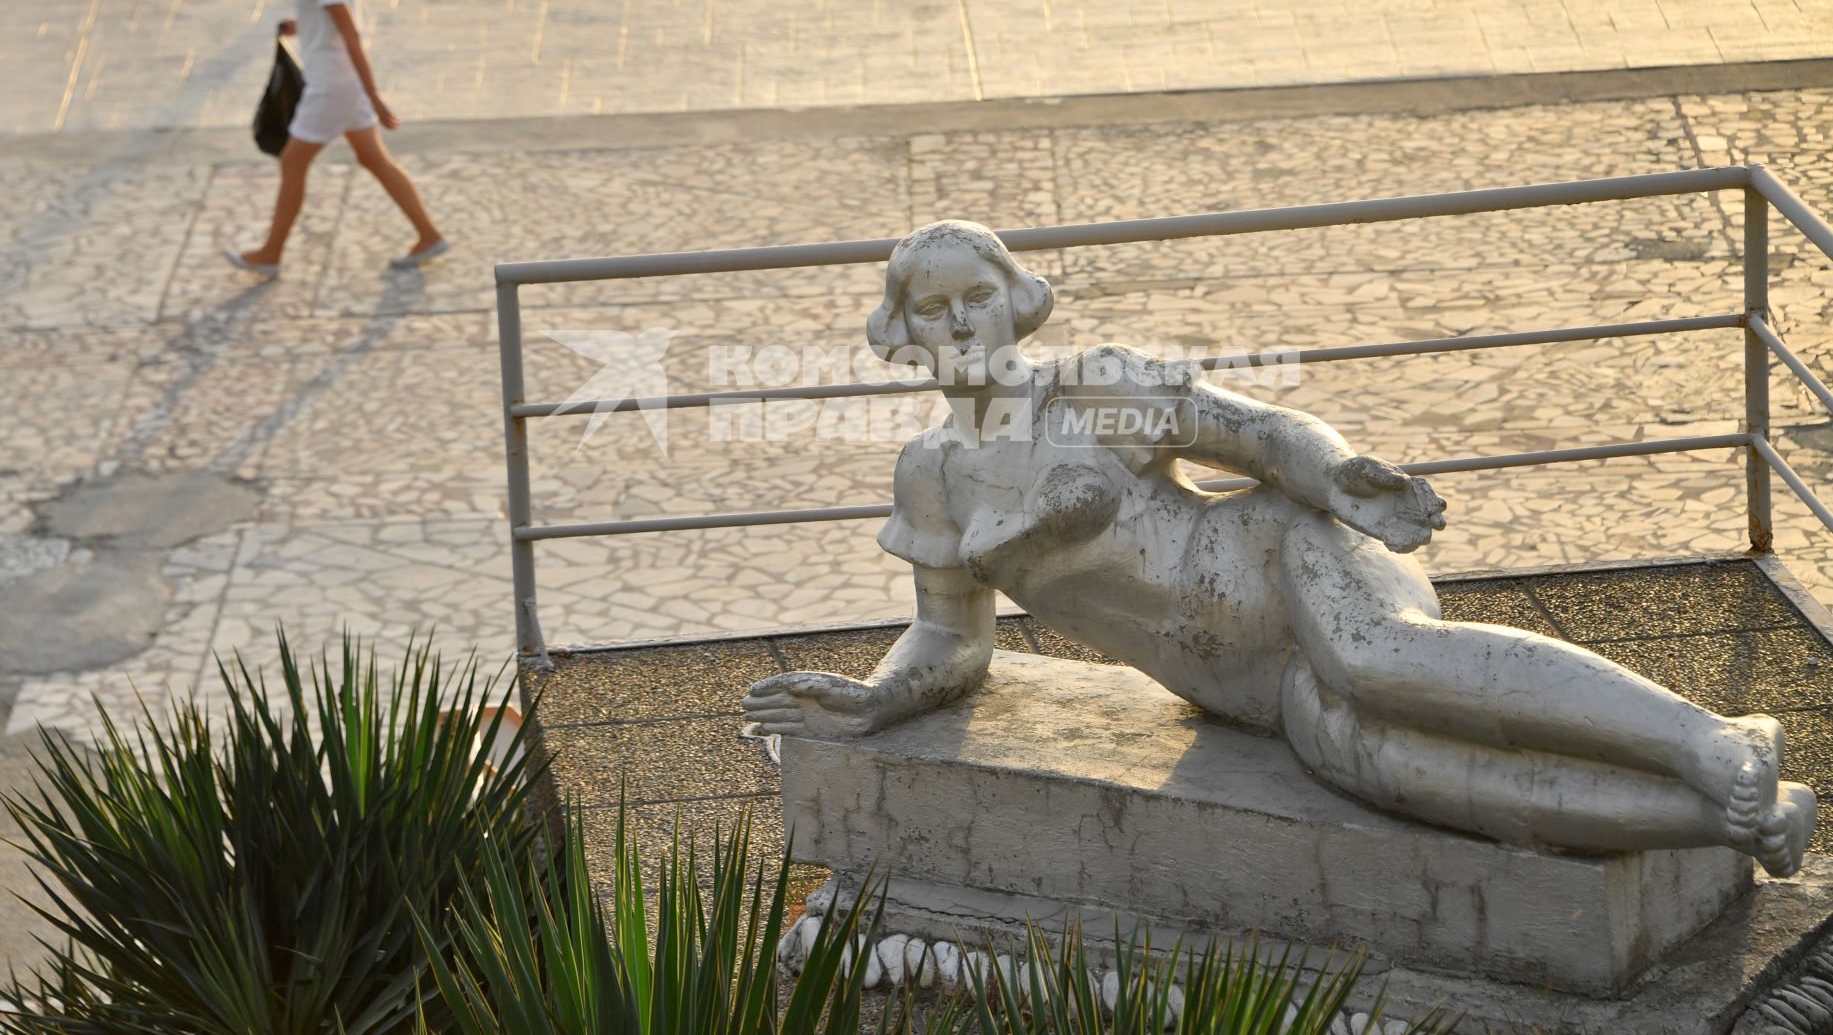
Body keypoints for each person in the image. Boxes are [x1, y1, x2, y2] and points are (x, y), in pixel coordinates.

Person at [743, 220, 1817, 876]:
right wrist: (878, 700)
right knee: (1389, 769)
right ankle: (1733, 815)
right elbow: (949, 634)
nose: (961, 322)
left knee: (1375, 657)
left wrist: (1337, 473)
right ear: (905, 333)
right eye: (933, 310)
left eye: (979, 296)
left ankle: (1709, 740)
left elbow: (1256, 434)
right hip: (1243, 683)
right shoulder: (932, 474)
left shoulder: (1094, 391)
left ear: (1017, 304)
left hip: (1281, 556)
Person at [225, 0, 447, 279]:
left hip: (332, 85)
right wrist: (302, 24)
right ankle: (429, 235)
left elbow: (350, 33)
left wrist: (375, 97)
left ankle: (271, 254)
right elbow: (332, 20)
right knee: (373, 159)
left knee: (293, 161)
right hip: (341, 81)